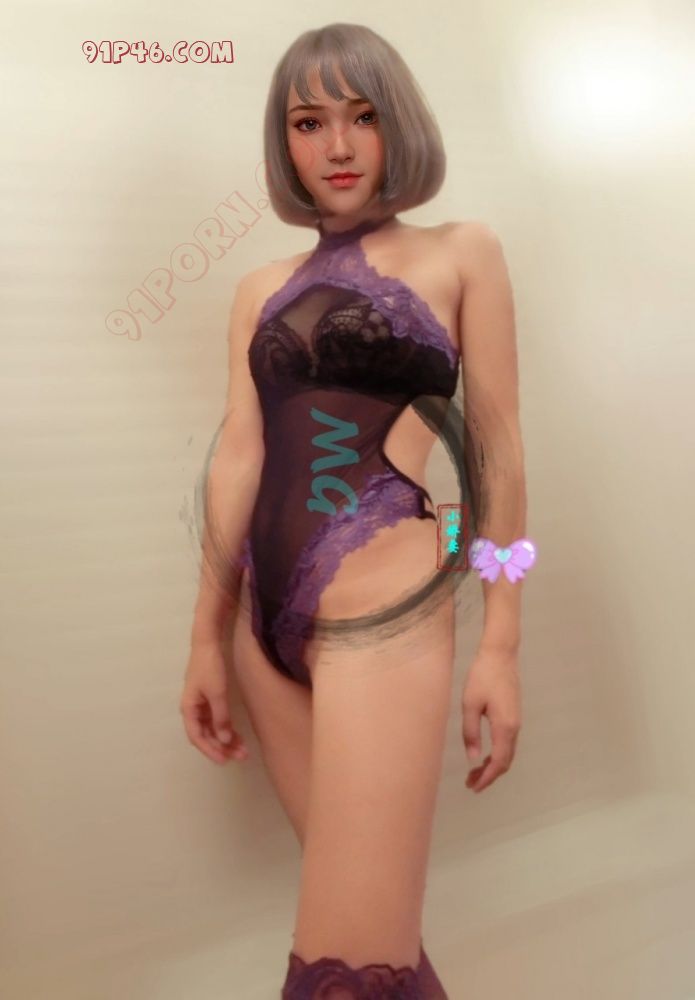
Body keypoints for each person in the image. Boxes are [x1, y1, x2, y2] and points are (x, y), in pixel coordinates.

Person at [180, 22, 527, 1000]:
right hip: (264, 623)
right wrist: (205, 636)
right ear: (283, 142)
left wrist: (501, 639)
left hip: (388, 602)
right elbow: (239, 456)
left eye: (361, 116)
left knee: (345, 967)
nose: (336, 144)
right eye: (307, 122)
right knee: (378, 946)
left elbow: (496, 451)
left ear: (395, 124)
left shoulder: (462, 252)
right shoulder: (256, 290)